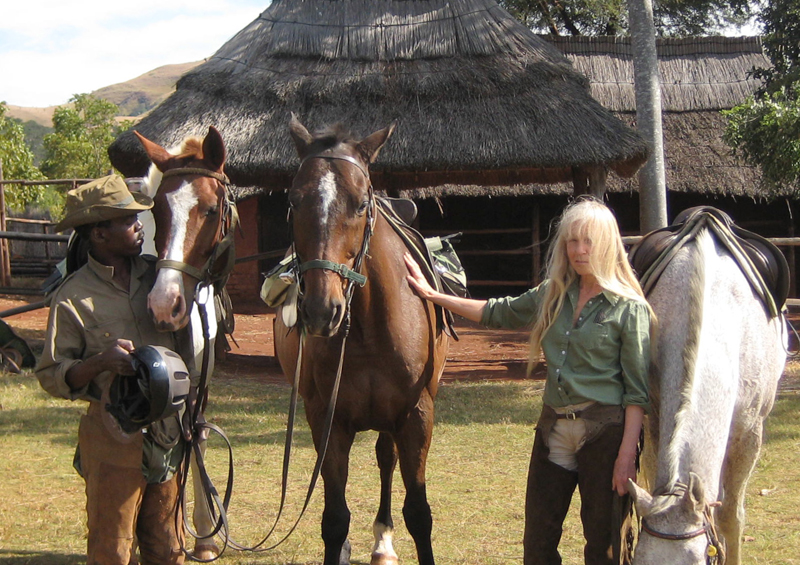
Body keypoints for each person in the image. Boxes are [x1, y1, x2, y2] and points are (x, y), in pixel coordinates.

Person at [405, 197, 652, 565]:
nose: (579, 250)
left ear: (607, 244)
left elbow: (636, 393)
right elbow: (496, 311)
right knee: (537, 544)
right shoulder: (552, 295)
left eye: (588, 241)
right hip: (553, 428)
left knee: (604, 548)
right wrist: (433, 296)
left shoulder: (629, 308)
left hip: (606, 433)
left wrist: (626, 456)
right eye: (572, 241)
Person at [36, 174, 186, 565]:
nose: (139, 225)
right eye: (128, 220)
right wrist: (101, 362)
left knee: (168, 548)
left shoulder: (160, 278)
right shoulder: (73, 297)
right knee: (112, 549)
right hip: (113, 438)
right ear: (99, 234)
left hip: (168, 435)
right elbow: (52, 374)